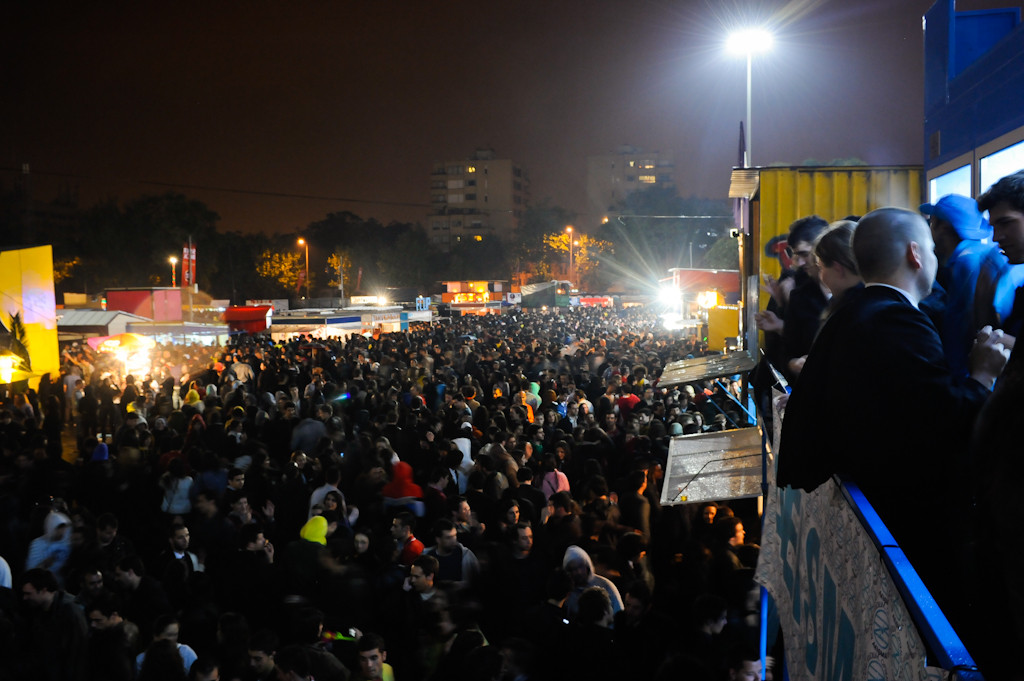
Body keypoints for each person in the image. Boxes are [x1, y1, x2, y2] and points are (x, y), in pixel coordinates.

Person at [777, 207, 1009, 616]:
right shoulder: (895, 318)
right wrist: (983, 373)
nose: (936, 259)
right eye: (932, 249)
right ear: (915, 254)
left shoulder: (857, 311)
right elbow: (942, 420)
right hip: (908, 526)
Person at [920, 193, 1008, 376]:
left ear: (942, 226)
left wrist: (957, 379)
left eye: (932, 222)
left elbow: (961, 328)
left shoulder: (966, 263)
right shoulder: (978, 253)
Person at [18, 568, 89, 681]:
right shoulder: (38, 610)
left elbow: (77, 654)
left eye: (28, 594)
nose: (25, 598)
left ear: (43, 590)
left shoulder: (70, 611)